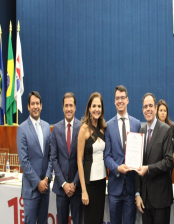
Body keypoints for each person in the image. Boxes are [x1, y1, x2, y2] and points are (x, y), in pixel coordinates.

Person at [104, 85, 141, 224]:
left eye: (122, 98)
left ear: (127, 100)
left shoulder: (137, 124)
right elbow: (106, 156)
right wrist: (117, 168)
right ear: (114, 101)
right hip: (115, 187)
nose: (120, 101)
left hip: (131, 187)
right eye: (117, 98)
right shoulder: (108, 126)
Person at [135, 93, 173, 224]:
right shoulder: (141, 132)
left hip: (161, 199)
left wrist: (148, 169)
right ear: (142, 110)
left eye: (151, 106)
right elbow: (137, 164)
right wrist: (138, 194)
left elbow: (168, 161)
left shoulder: (166, 130)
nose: (148, 109)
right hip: (145, 201)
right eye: (145, 107)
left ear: (156, 108)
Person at [17, 91, 52, 224]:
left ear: (41, 106)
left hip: (45, 189)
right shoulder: (22, 129)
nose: (35, 106)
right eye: (33, 104)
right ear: (28, 106)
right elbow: (24, 161)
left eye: (37, 103)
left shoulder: (47, 127)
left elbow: (50, 156)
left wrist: (47, 179)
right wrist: (38, 183)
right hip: (31, 190)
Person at [51, 92, 82, 224]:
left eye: (71, 105)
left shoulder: (82, 128)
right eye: (66, 105)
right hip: (61, 188)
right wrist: (64, 184)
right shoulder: (56, 129)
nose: (69, 109)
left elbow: (84, 159)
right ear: (63, 108)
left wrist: (74, 184)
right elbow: (54, 158)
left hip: (77, 188)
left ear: (75, 108)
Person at [77, 92, 107, 224]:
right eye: (94, 106)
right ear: (89, 108)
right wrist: (83, 190)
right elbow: (79, 160)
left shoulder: (103, 128)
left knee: (99, 220)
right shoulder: (83, 129)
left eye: (99, 106)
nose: (96, 109)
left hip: (101, 183)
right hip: (89, 186)